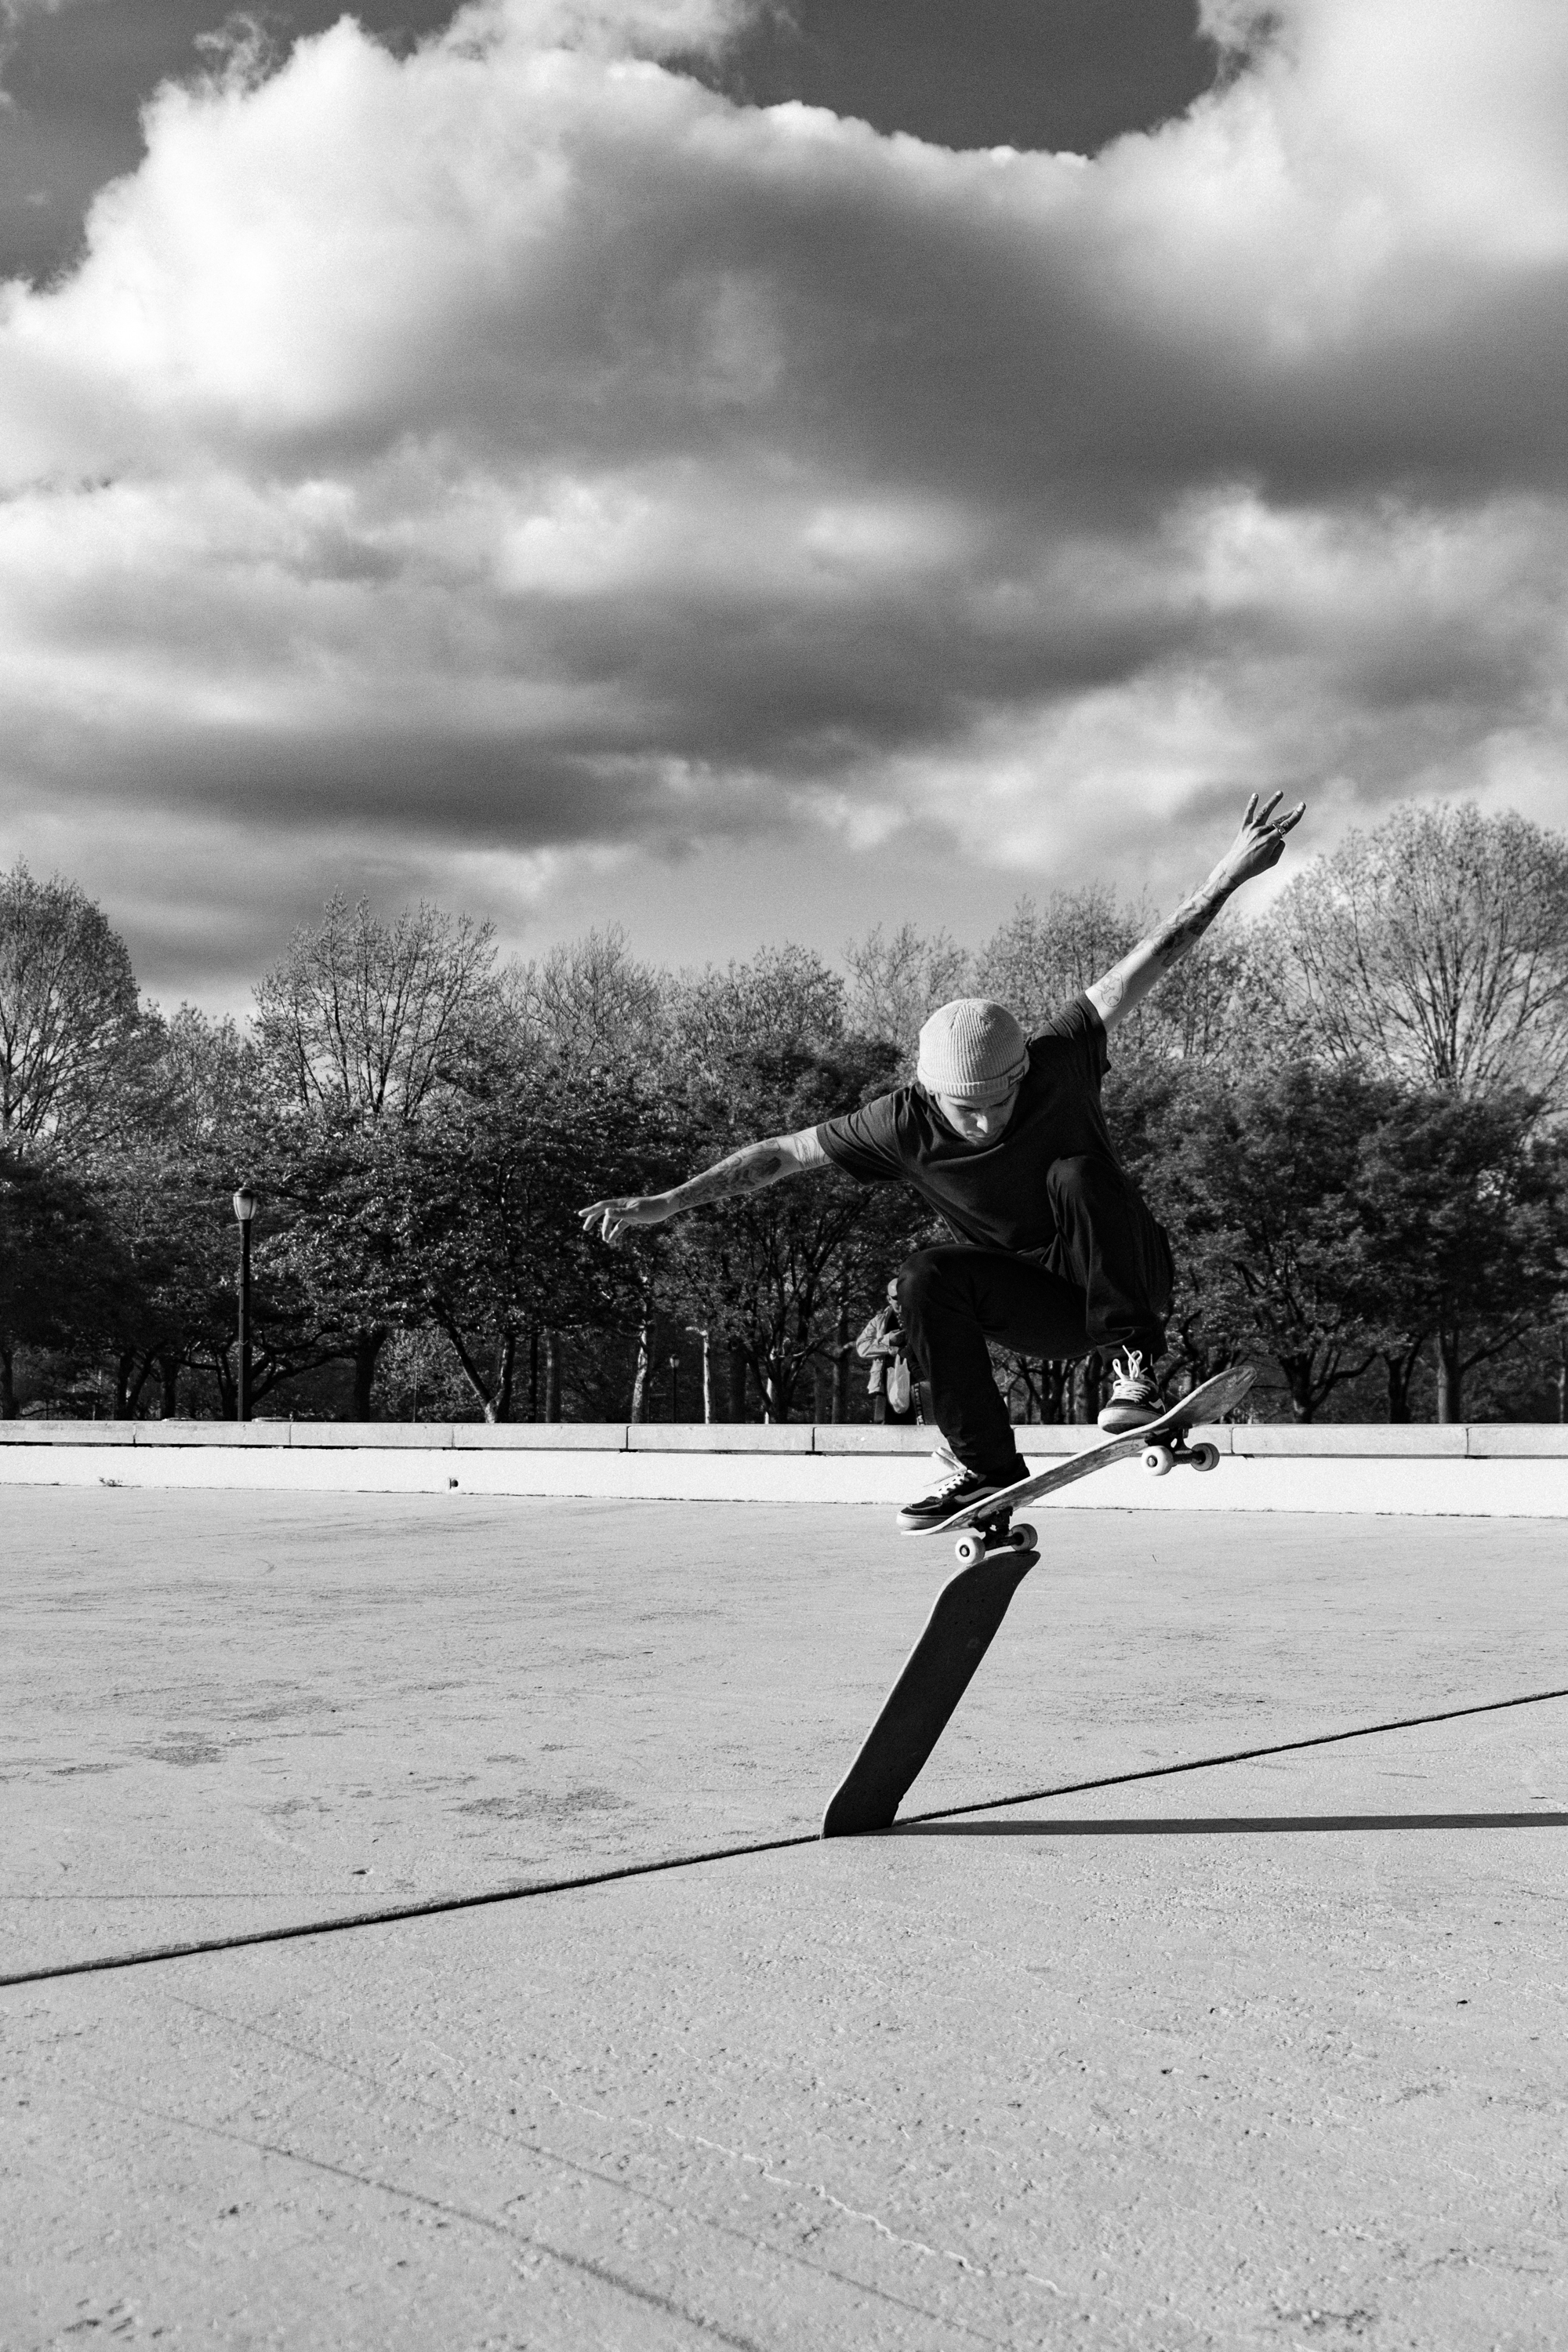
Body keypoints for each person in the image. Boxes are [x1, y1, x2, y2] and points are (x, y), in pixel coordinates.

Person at [581, 793, 1304, 1531]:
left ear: (1026, 1067)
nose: (989, 1120)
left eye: (1003, 1099)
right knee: (923, 1276)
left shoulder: (1062, 1058)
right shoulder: (897, 1122)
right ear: (931, 1093)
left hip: (1125, 1275)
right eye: (969, 1109)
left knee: (1077, 1173)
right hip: (1042, 1309)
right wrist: (670, 1202)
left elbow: (1146, 962)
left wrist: (1227, 876)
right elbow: (782, 1154)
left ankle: (1136, 1371)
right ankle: (985, 1465)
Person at [856, 1278, 916, 1423]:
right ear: (889, 1299)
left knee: (918, 1423)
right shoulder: (878, 1321)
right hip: (886, 1383)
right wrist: (887, 1343)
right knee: (885, 1425)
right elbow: (862, 1347)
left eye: (904, 1297)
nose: (900, 1302)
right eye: (896, 1298)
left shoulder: (918, 1318)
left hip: (915, 1380)